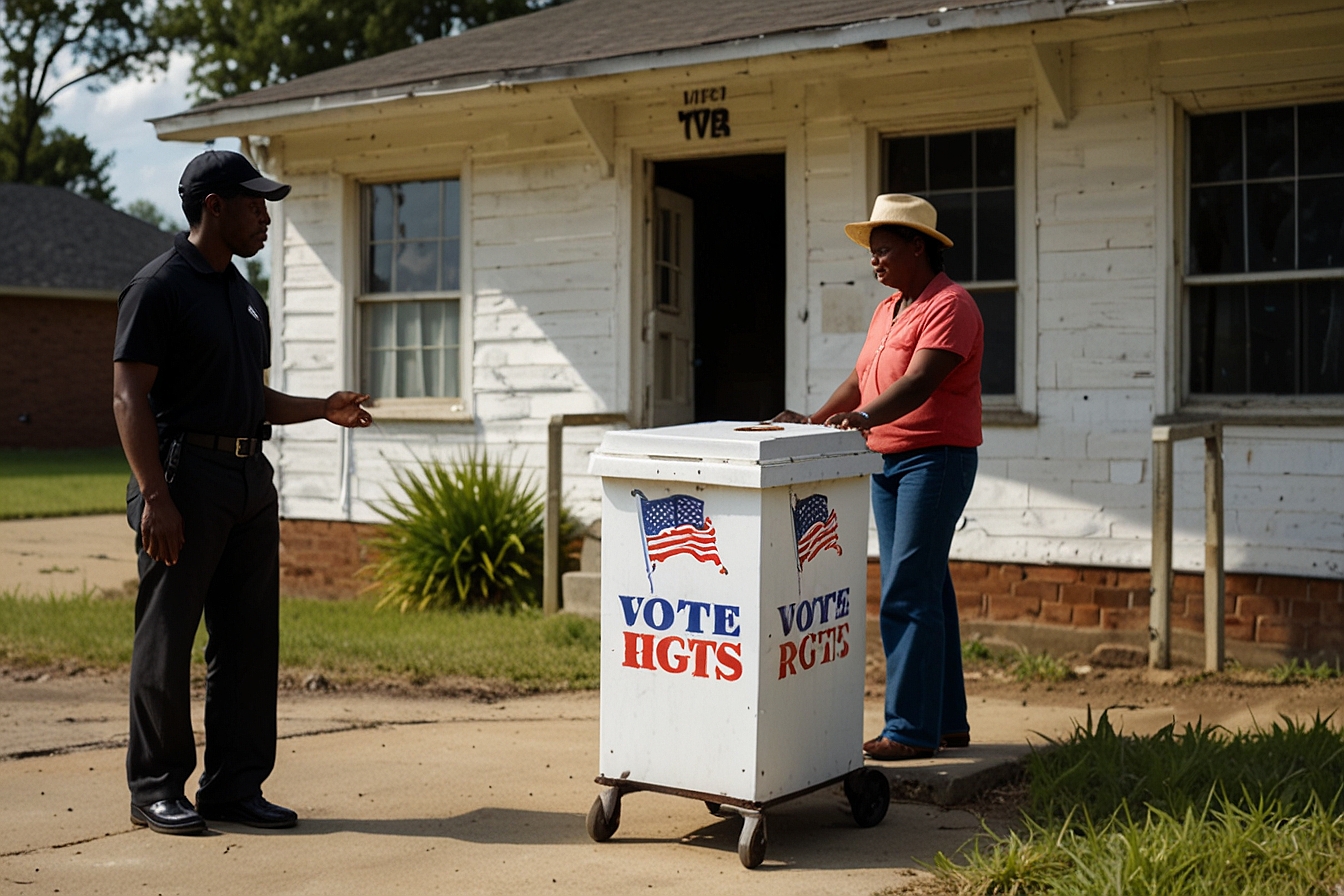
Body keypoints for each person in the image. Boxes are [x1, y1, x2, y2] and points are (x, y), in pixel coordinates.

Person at [112, 150, 373, 834]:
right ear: (214, 206)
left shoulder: (244, 294)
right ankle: (155, 788)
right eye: (255, 204)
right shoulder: (159, 286)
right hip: (185, 478)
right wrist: (155, 496)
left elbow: (251, 397)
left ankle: (233, 787)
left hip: (250, 478)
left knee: (248, 642)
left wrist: (322, 407)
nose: (265, 217)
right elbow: (127, 395)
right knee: (166, 639)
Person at [774, 194, 983, 761]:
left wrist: (863, 419)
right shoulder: (889, 309)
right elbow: (861, 378)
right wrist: (814, 422)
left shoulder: (951, 305)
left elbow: (918, 384)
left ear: (919, 246)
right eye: (872, 253)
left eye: (884, 250)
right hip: (887, 460)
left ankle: (911, 729)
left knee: (906, 591)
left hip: (934, 460)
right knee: (926, 587)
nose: (875, 262)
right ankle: (946, 721)